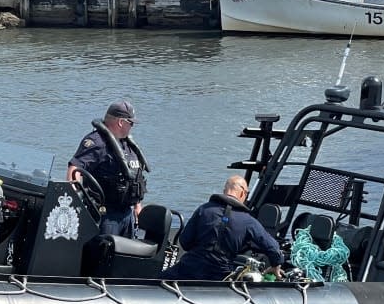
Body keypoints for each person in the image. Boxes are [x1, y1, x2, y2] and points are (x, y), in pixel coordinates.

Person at [162, 175, 284, 281]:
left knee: (157, 282)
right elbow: (273, 248)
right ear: (243, 193)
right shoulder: (248, 221)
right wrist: (275, 266)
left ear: (225, 190)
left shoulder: (204, 210)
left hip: (190, 267)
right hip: (219, 275)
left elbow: (185, 242)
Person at [67, 99, 148, 236]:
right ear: (121, 122)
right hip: (106, 215)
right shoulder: (97, 142)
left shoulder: (127, 145)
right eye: (131, 123)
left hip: (127, 215)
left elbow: (135, 178)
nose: (132, 126)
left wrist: (137, 206)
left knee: (125, 255)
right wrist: (75, 200)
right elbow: (75, 169)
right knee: (104, 254)